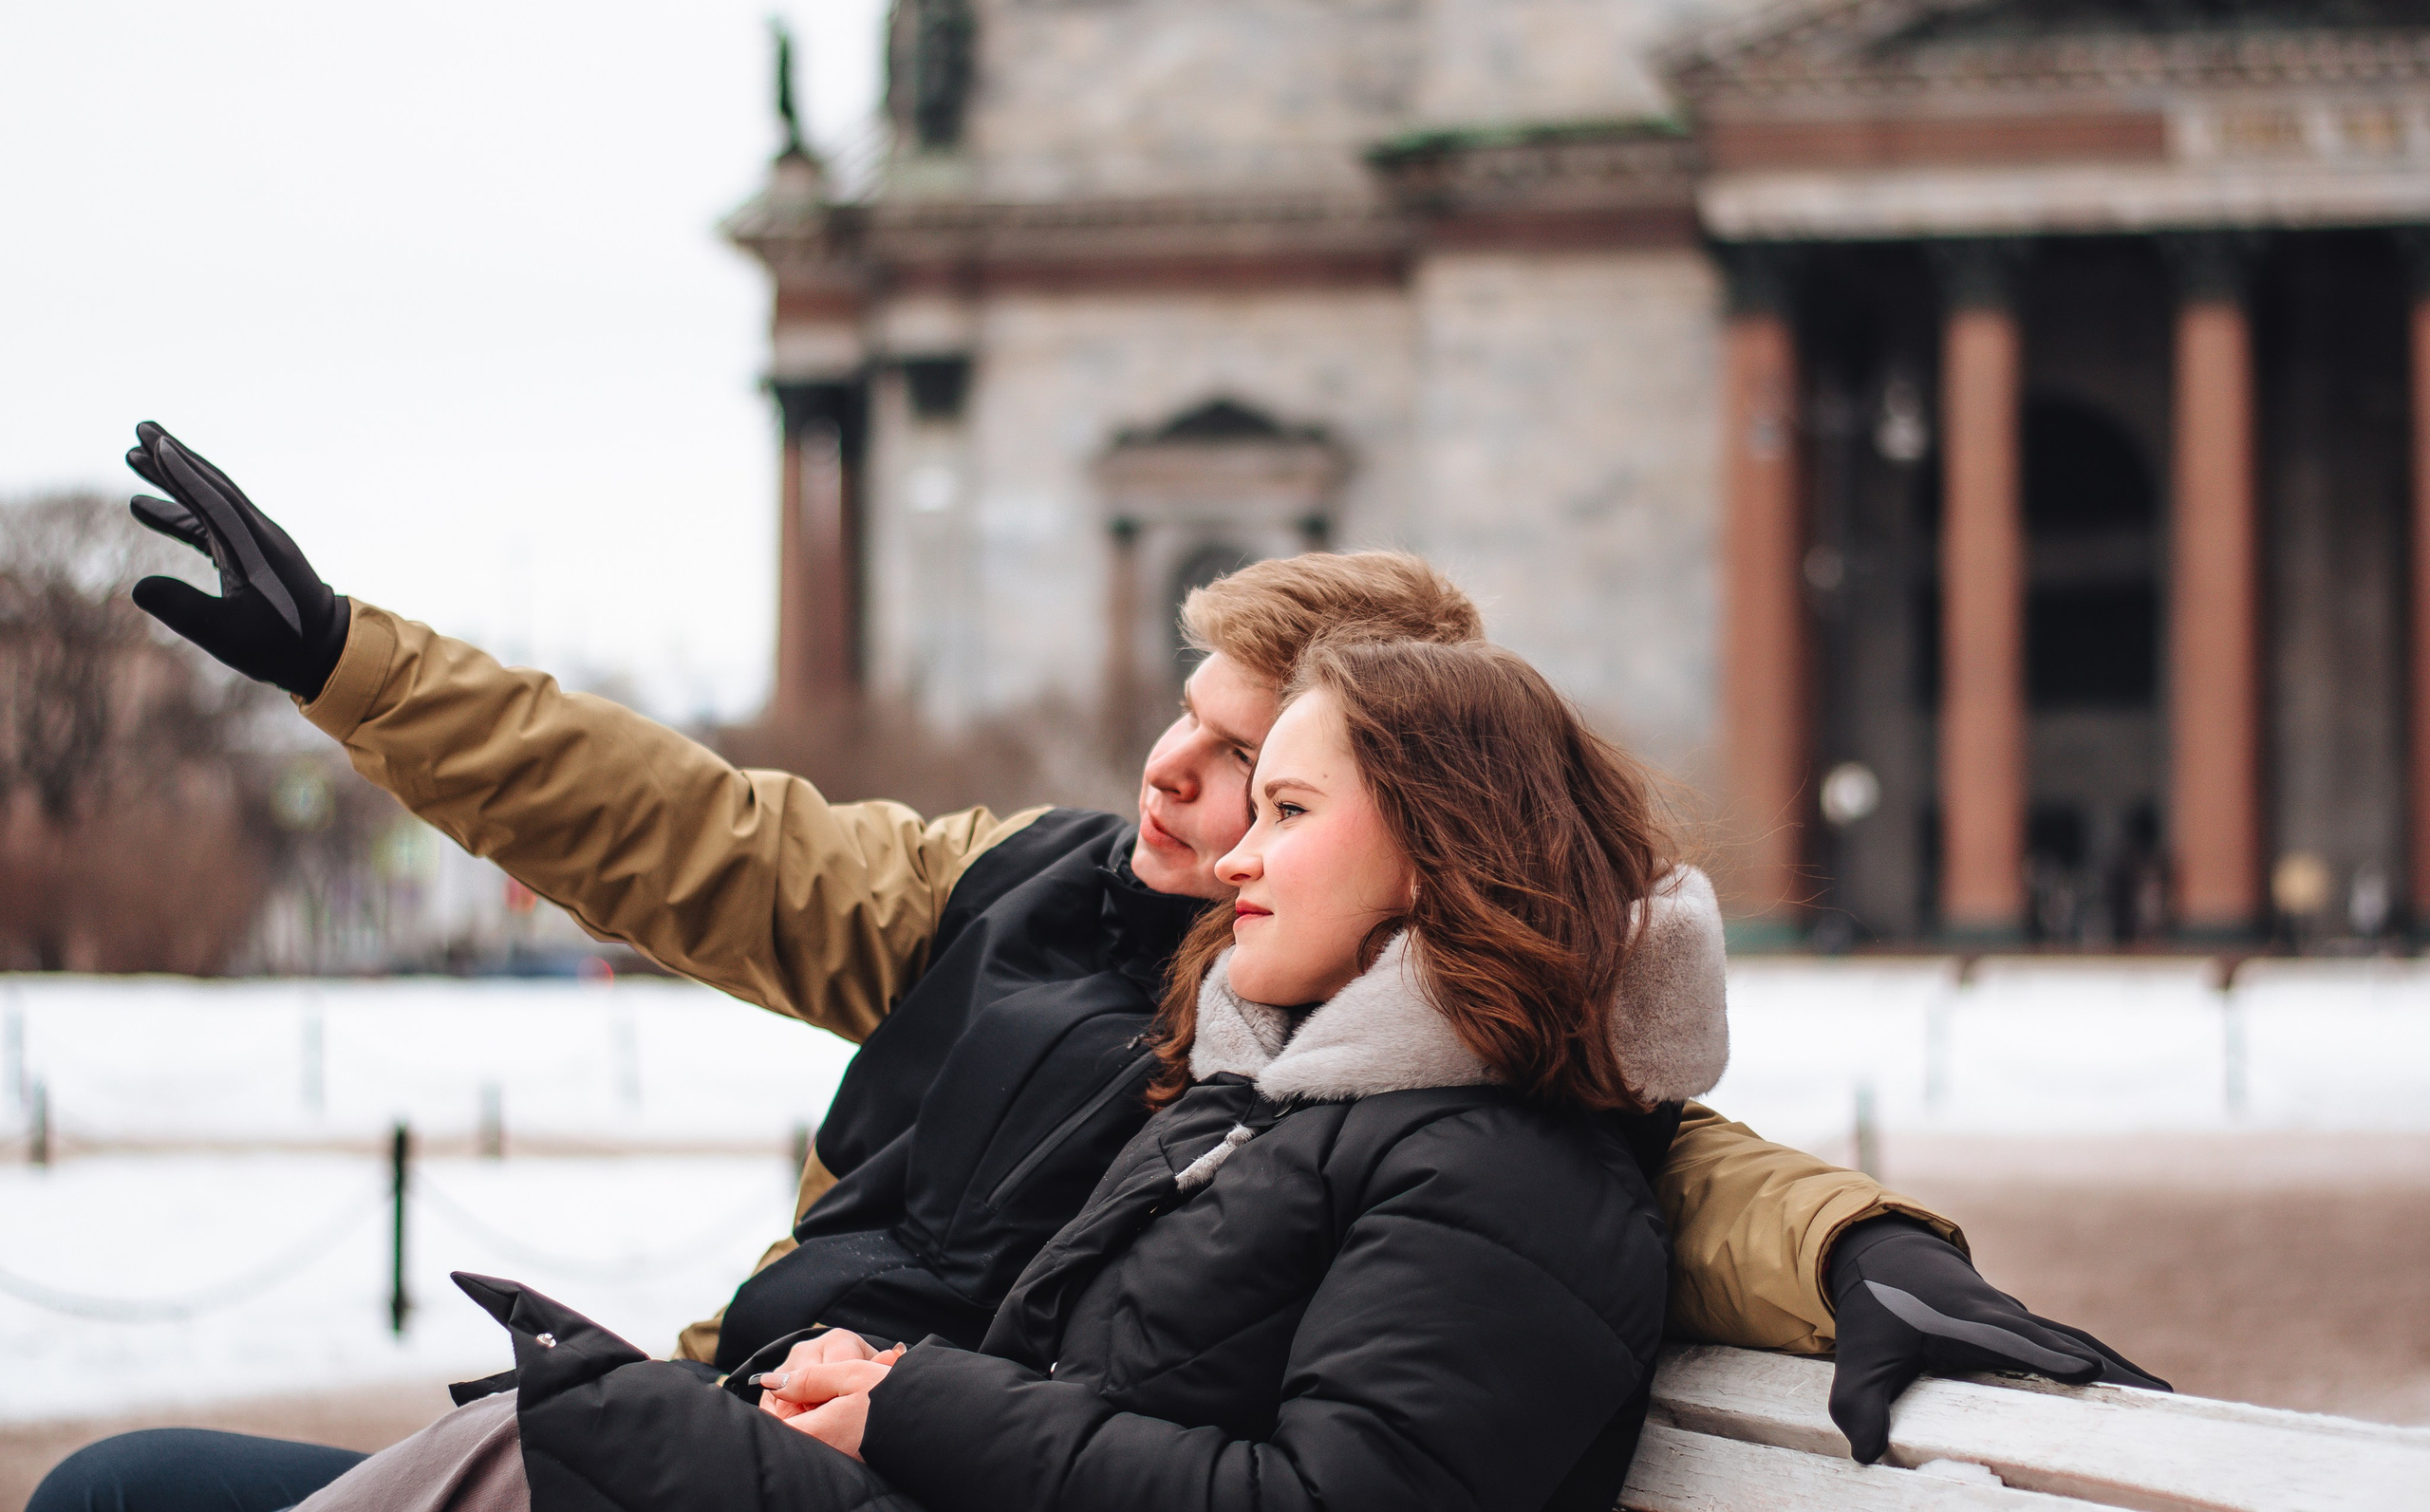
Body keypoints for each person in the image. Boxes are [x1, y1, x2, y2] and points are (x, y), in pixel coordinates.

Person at [31, 425, 2159, 1512]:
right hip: (746, 1433)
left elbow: (1623, 1142)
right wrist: (348, 661)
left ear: (1394, 823)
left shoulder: (1347, 1051)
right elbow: (674, 828)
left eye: (1252, 765)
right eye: (1184, 707)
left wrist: (1859, 1240)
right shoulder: (1028, 892)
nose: (1171, 771)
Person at [300, 635, 1717, 1512]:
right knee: (546, 1432)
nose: (1231, 854)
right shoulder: (1263, 1091)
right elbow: (713, 839)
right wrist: (886, 1383)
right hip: (862, 1447)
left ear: (1437, 843)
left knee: (549, 1445)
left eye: (1279, 803)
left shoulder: (1499, 1162)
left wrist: (912, 1397)